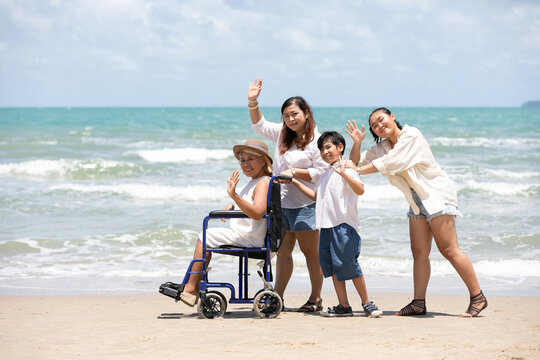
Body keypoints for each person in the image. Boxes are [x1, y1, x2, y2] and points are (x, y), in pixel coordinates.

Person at [346, 107, 487, 317]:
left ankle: (478, 297)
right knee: (419, 253)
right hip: (415, 202)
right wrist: (357, 143)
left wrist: (355, 171)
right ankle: (418, 303)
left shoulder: (412, 135)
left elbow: (391, 162)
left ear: (392, 117)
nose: (379, 126)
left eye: (381, 120)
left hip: (437, 197)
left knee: (449, 250)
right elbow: (356, 161)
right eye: (374, 125)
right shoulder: (383, 146)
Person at [248, 78, 326, 312]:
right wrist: (253, 101)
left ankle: (316, 298)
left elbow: (320, 172)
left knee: (310, 252)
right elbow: (259, 126)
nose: (290, 119)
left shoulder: (316, 141)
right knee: (283, 251)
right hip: (281, 204)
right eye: (286, 115)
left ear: (306, 113)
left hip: (306, 204)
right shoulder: (283, 134)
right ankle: (278, 297)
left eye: (294, 114)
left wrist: (294, 173)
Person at [290, 131, 383, 317]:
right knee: (332, 267)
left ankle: (367, 303)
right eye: (321, 149)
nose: (324, 152)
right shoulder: (324, 174)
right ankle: (344, 306)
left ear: (340, 147)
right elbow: (318, 197)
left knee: (349, 265)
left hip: (343, 226)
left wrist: (345, 174)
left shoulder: (347, 168)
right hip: (324, 227)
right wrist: (295, 182)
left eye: (328, 147)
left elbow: (360, 189)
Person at [179, 139, 273, 307]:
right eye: (243, 160)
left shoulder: (263, 182)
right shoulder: (254, 182)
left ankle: (191, 288)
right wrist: (232, 205)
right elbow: (250, 206)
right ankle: (191, 284)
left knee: (205, 236)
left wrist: (234, 196)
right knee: (206, 236)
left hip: (250, 237)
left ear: (264, 160)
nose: (246, 164)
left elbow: (258, 212)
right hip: (246, 234)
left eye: (251, 159)